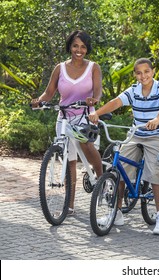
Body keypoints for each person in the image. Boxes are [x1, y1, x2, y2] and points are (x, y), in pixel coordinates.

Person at [89, 58, 159, 235]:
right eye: (139, 73)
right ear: (135, 75)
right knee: (119, 169)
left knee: (155, 172)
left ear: (153, 71)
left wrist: (158, 119)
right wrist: (97, 113)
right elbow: (116, 102)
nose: (143, 76)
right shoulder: (133, 90)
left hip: (156, 135)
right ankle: (116, 212)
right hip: (136, 134)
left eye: (147, 72)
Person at [31, 30, 103, 215]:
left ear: (87, 49)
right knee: (69, 160)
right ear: (70, 46)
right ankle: (69, 206)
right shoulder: (60, 68)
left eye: (83, 47)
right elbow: (49, 92)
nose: (79, 50)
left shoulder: (93, 67)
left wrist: (94, 100)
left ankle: (102, 180)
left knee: (86, 145)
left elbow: (98, 91)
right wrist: (39, 100)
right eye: (75, 45)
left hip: (86, 116)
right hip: (64, 117)